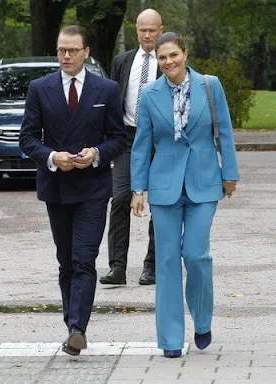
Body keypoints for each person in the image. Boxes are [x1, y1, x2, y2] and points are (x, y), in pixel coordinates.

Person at [130, 32, 239, 358]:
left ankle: (202, 319)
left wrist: (230, 173)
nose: (168, 62)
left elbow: (226, 131)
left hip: (205, 183)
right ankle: (171, 339)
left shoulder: (210, 85)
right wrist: (139, 189)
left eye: (173, 55)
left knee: (195, 254)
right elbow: (141, 145)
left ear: (185, 53)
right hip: (164, 186)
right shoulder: (149, 95)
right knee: (165, 262)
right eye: (162, 58)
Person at [19, 26, 126, 356]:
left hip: (92, 188)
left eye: (72, 50)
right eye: (61, 50)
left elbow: (119, 138)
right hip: (56, 187)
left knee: (84, 258)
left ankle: (78, 327)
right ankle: (72, 325)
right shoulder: (40, 88)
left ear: (86, 52)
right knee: (66, 260)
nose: (65, 56)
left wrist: (95, 154)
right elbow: (27, 139)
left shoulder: (106, 89)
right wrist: (53, 157)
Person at [101, 8, 163, 286]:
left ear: (160, 31)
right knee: (121, 198)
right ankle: (117, 267)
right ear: (136, 31)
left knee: (161, 203)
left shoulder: (169, 61)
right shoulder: (122, 61)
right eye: (142, 30)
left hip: (161, 140)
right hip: (127, 138)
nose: (147, 34)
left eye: (152, 30)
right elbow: (113, 100)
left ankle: (151, 266)